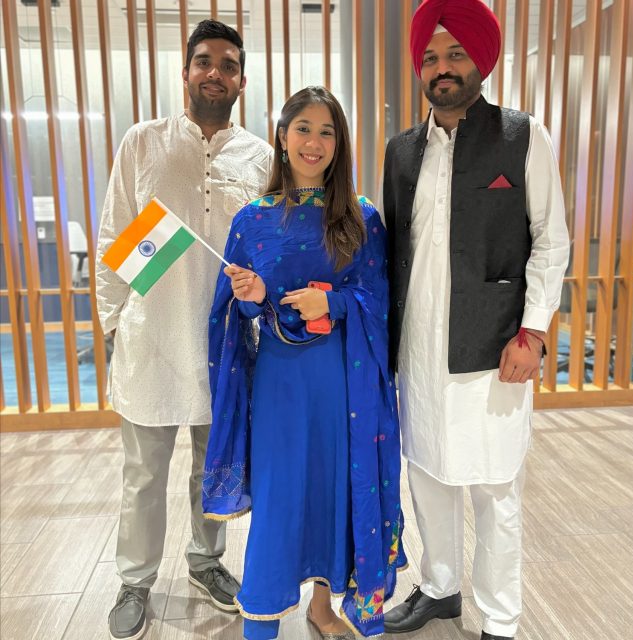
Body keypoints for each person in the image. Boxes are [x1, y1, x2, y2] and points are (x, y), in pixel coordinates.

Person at [381, 1, 570, 639]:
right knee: (428, 473)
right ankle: (440, 588)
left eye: (456, 53)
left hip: (496, 348)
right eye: (431, 57)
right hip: (419, 346)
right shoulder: (402, 151)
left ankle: (499, 617)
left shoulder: (522, 136)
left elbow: (551, 240)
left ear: (480, 61)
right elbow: (391, 251)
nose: (442, 68)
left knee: (495, 489)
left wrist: (534, 331)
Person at [201, 86, 405, 640]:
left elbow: (379, 301)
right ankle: (262, 615)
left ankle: (322, 607)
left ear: (339, 143)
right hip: (280, 386)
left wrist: (334, 303)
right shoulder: (252, 220)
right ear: (282, 137)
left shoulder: (360, 218)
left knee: (334, 490)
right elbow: (233, 312)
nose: (314, 142)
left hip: (343, 385)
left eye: (327, 131)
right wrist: (249, 294)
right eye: (303, 129)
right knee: (280, 493)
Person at [95, 19, 272, 640]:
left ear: (242, 80)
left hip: (222, 344)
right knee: (143, 473)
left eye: (227, 64)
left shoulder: (260, 156)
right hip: (150, 339)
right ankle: (134, 580)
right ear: (187, 72)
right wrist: (112, 318)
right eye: (203, 61)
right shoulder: (144, 142)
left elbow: (267, 249)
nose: (214, 72)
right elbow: (118, 236)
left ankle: (206, 561)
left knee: (212, 465)